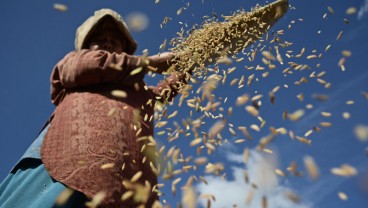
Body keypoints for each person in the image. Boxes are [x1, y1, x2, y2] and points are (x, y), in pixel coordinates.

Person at [0, 8, 191, 208]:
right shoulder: (76, 62)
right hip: (68, 162)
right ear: (86, 47)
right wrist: (151, 63)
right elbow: (89, 66)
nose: (108, 43)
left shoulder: (138, 91)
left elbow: (163, 94)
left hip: (122, 182)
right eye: (99, 39)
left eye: (115, 41)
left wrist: (193, 60)